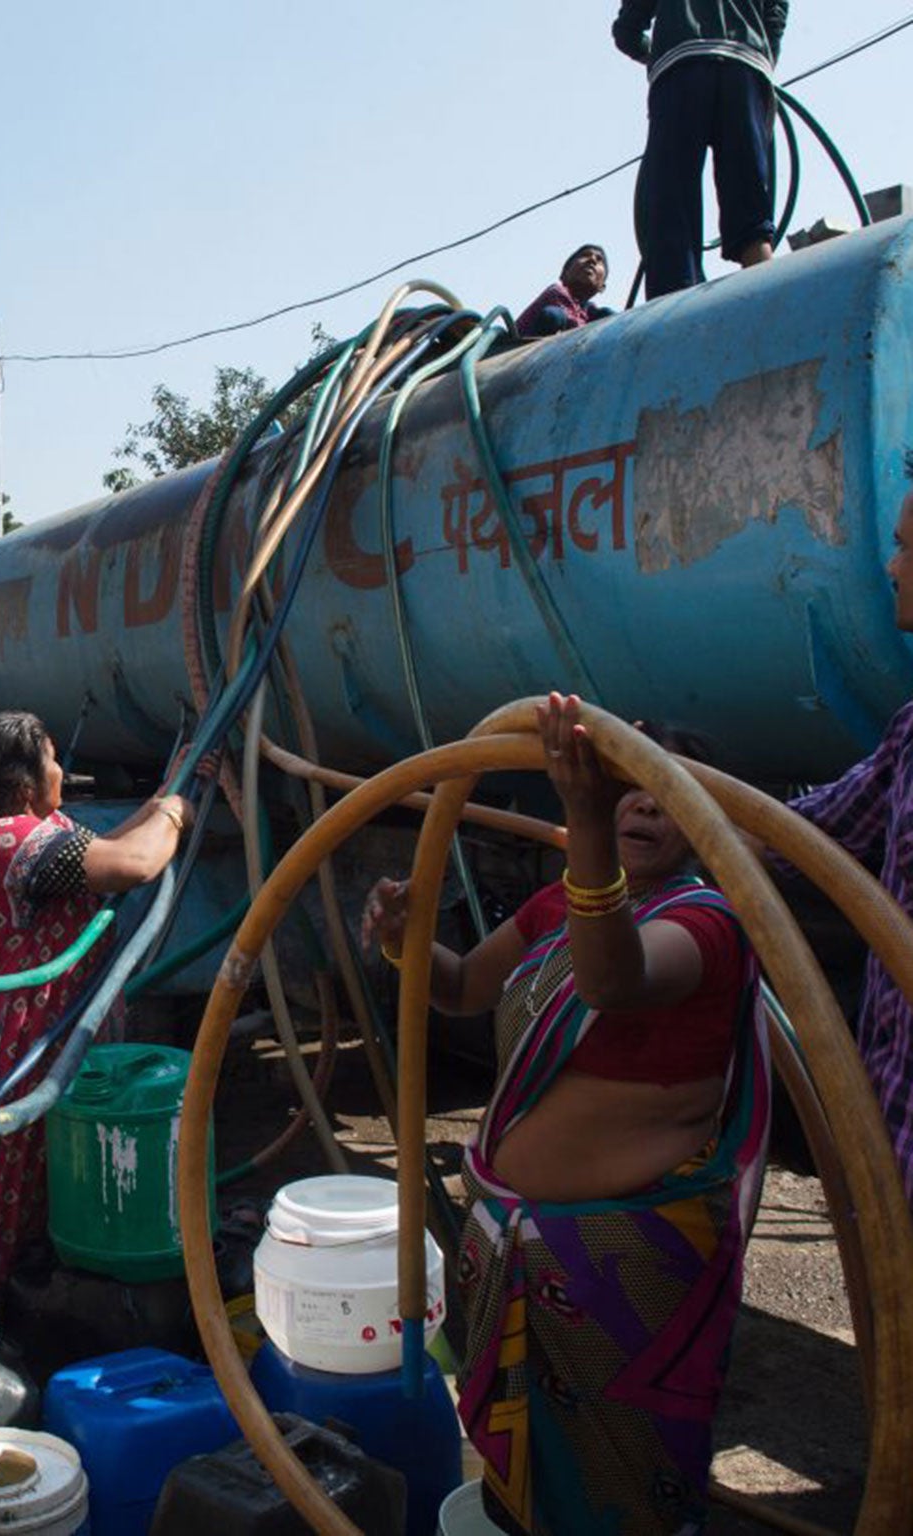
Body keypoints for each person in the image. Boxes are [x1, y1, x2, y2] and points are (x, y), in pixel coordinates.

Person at [361, 695, 768, 1536]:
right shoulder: (555, 911)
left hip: (626, 1262)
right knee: (527, 1494)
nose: (648, 803)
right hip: (517, 1248)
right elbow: (464, 987)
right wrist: (406, 939)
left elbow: (611, 981)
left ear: (706, 830)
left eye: (674, 794)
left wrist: (582, 818)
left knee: (621, 1497)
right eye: (629, 785)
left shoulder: (709, 926)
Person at [0, 713, 192, 1288]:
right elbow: (136, 863)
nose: (61, 770)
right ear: (23, 783)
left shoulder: (8, 836)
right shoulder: (9, 841)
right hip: (10, 1066)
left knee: (44, 1209)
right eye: (50, 758)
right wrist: (176, 812)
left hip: (20, 1056)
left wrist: (171, 789)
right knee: (13, 1221)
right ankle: (2, 1330)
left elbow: (112, 846)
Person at [775, 490, 913, 1205]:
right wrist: (675, 803)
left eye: (908, 549)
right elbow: (805, 835)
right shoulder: (912, 733)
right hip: (893, 1145)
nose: (891, 566)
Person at [615, 0, 785, 299]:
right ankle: (768, 290)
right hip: (746, 64)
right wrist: (763, 50)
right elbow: (776, 11)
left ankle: (675, 303)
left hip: (681, 65)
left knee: (672, 199)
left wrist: (650, 50)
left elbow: (627, 30)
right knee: (748, 192)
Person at [513, 245, 614, 339]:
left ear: (602, 287)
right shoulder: (557, 292)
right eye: (585, 255)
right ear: (563, 274)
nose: (592, 260)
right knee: (553, 315)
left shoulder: (590, 311)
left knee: (607, 316)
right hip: (519, 349)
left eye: (599, 260)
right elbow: (576, 331)